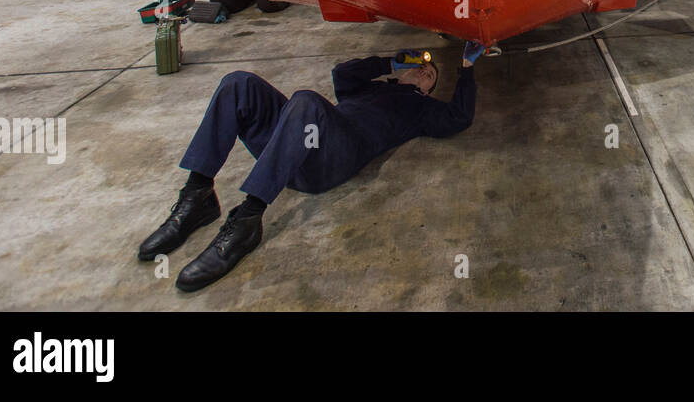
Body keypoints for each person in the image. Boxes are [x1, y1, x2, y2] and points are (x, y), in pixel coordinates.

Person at [138, 42, 485, 292]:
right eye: (422, 67)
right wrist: (389, 63)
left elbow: (459, 117)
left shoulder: (421, 110)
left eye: (430, 76)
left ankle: (247, 220)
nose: (424, 72)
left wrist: (466, 69)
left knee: (305, 102)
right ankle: (198, 194)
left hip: (334, 157)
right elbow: (341, 74)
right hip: (296, 145)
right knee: (238, 83)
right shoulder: (367, 90)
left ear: (429, 89)